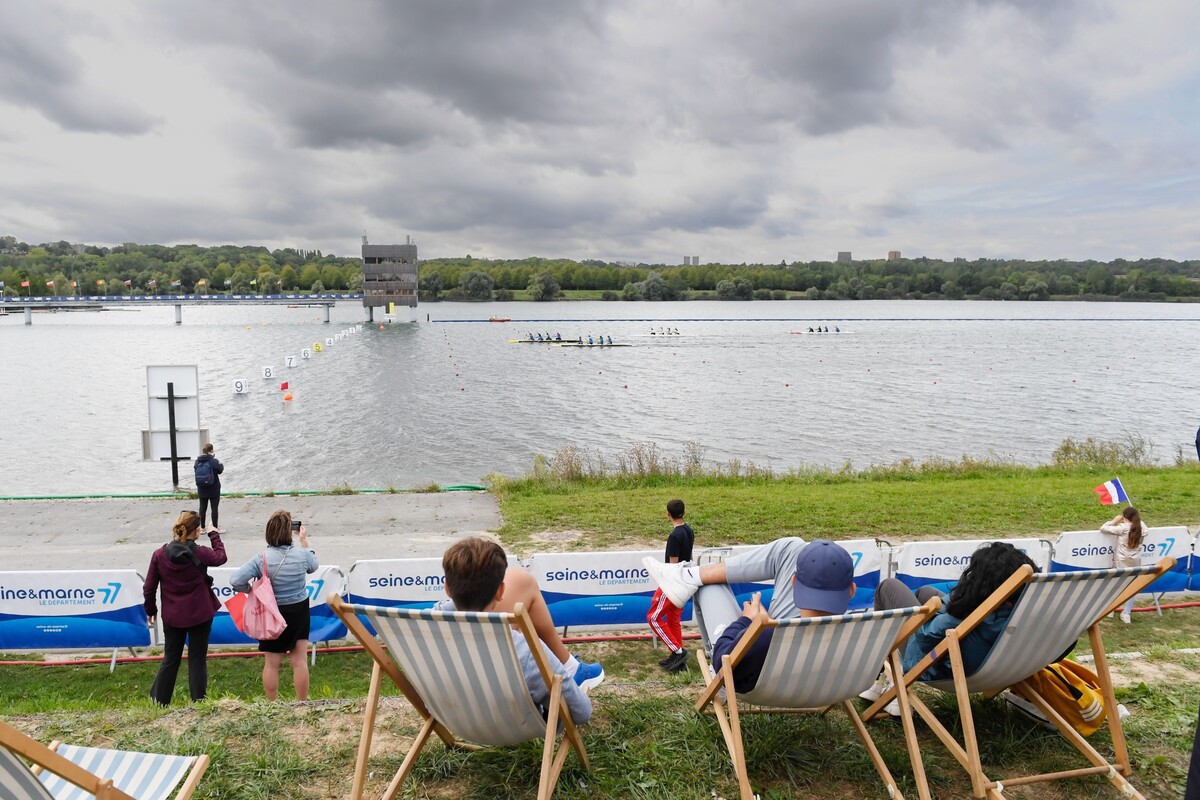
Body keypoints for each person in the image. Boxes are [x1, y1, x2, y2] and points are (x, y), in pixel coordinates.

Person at [643, 537, 853, 692]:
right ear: (851, 590)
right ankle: (689, 575)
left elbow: (723, 660)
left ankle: (689, 576)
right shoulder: (866, 633)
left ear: (793, 582)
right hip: (824, 685)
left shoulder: (766, 638)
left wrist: (749, 623)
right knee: (794, 548)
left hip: (764, 684)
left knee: (708, 586)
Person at [863, 542, 1039, 712]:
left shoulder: (974, 614)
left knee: (888, 587)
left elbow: (924, 637)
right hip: (1002, 670)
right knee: (925, 593)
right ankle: (889, 678)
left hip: (938, 665)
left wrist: (964, 599)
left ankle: (889, 677)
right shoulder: (1025, 611)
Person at [435, 538, 592, 724]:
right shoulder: (524, 650)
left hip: (454, 718)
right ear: (501, 591)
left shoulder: (423, 630)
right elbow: (581, 713)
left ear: (446, 588)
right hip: (515, 724)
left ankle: (571, 666)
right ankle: (571, 667)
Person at [230, 510, 318, 700]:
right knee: (300, 661)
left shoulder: (261, 558)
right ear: (289, 532)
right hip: (298, 611)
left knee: (271, 663)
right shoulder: (302, 555)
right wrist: (304, 540)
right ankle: (302, 702)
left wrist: (250, 590)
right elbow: (314, 565)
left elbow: (235, 580)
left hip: (270, 612)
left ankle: (272, 704)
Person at [143, 510, 226, 706]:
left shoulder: (159, 554)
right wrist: (214, 534)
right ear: (197, 531)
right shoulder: (201, 552)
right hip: (200, 613)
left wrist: (151, 610)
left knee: (170, 659)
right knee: (197, 658)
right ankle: (199, 702)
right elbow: (220, 557)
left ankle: (158, 703)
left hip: (173, 616)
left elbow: (149, 587)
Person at [647, 499, 695, 672]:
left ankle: (677, 651)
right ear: (684, 512)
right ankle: (678, 659)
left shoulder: (674, 536)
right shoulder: (688, 530)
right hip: (684, 581)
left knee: (653, 617)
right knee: (674, 619)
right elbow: (688, 556)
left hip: (672, 583)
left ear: (668, 514)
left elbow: (673, 566)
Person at [1100, 507, 1144, 623]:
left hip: (1121, 561)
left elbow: (1103, 529)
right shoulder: (1142, 527)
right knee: (1132, 588)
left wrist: (1113, 521)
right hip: (1135, 562)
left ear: (1125, 517)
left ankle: (1111, 610)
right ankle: (1126, 613)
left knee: (1116, 586)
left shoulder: (1122, 528)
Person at [194, 443, 224, 531]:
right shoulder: (213, 461)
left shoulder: (197, 461)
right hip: (213, 489)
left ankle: (202, 527)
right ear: (211, 450)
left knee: (202, 508)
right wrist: (220, 464)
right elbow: (220, 470)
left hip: (202, 489)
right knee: (214, 508)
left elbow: (195, 469)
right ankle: (214, 527)